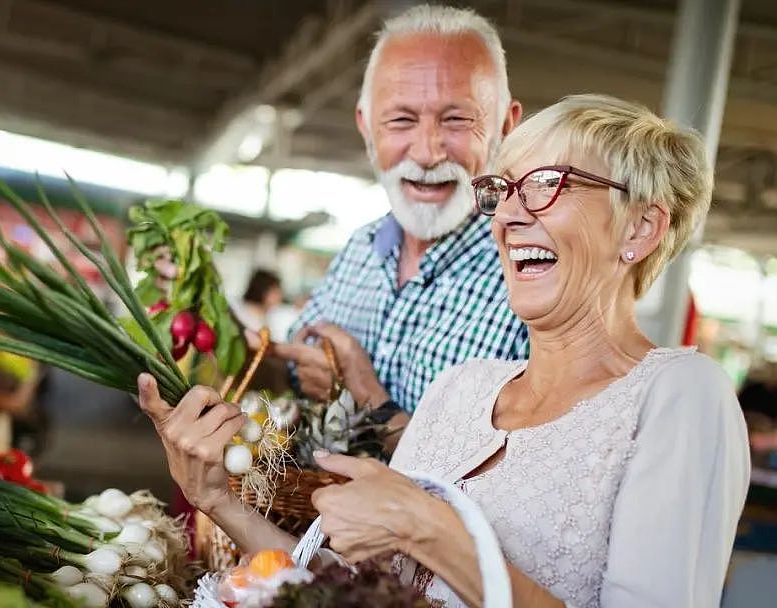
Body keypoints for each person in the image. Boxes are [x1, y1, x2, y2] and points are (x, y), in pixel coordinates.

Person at [136, 93, 751, 607]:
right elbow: (353, 589)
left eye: (545, 185)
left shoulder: (679, 393)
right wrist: (216, 498)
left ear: (642, 227)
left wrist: (428, 530)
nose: (509, 214)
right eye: (503, 189)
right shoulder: (463, 387)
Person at [254, 5, 528, 434]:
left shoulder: (530, 280)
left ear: (506, 127)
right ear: (366, 127)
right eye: (401, 120)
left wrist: (365, 397)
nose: (426, 152)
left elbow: (511, 482)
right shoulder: (361, 248)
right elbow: (289, 378)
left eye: (456, 119)